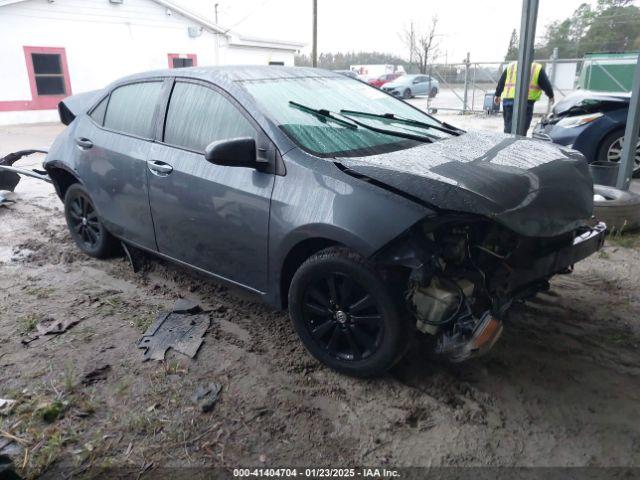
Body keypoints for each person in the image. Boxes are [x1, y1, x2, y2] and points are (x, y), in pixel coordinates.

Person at [494, 61, 554, 135]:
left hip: (509, 101)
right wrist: (551, 96)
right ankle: (518, 144)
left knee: (508, 127)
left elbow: (501, 82)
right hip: (526, 102)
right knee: (522, 129)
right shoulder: (536, 68)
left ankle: (508, 141)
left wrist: (497, 95)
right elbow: (546, 84)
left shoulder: (511, 66)